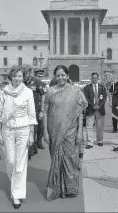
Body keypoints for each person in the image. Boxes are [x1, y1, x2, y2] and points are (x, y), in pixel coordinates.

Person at [43, 65, 88, 201]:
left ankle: (70, 188)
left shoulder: (76, 91)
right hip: (54, 131)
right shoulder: (50, 91)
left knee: (70, 159)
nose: (60, 78)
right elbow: (45, 112)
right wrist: (45, 131)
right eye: (58, 75)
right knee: (56, 160)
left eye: (63, 75)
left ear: (68, 76)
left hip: (71, 131)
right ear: (55, 77)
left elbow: (80, 113)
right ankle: (56, 188)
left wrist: (80, 132)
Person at [0, 65, 37, 209]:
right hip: (7, 129)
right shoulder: (4, 92)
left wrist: (31, 135)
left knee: (20, 163)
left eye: (20, 76)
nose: (17, 79)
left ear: (23, 77)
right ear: (10, 77)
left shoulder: (28, 92)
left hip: (23, 130)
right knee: (11, 161)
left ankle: (17, 195)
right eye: (15, 76)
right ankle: (16, 184)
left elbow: (32, 115)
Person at [23, 65, 45, 159]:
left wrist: (42, 111)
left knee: (33, 130)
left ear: (30, 72)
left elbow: (43, 95)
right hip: (23, 110)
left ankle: (31, 150)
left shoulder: (36, 81)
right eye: (24, 73)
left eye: (27, 73)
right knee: (25, 131)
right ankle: (30, 148)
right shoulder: (20, 81)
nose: (25, 75)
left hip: (34, 109)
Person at [83, 72, 107, 148]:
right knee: (89, 126)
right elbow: (86, 98)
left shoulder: (102, 87)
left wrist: (99, 106)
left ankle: (100, 141)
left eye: (95, 78)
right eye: (92, 78)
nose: (94, 79)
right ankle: (90, 143)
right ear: (91, 78)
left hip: (100, 109)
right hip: (90, 109)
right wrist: (93, 105)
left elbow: (104, 98)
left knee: (100, 126)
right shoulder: (87, 87)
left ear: (98, 78)